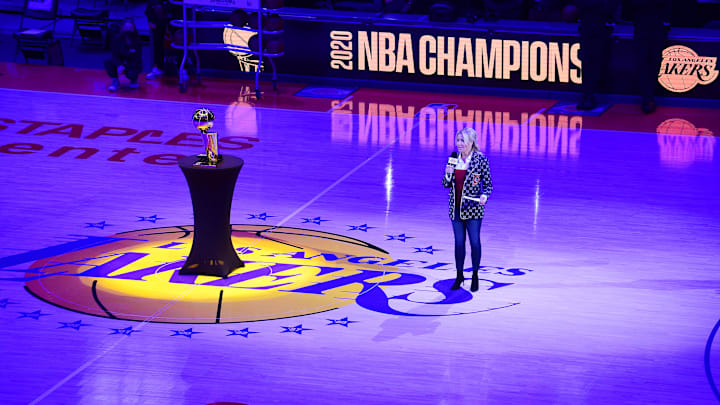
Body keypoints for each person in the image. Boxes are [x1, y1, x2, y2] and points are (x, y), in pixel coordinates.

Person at [442, 128, 493, 292]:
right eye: (458, 140)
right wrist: (448, 174)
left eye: (463, 141)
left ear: (472, 142)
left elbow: (488, 185)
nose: (460, 144)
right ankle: (459, 275)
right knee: (458, 243)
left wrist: (485, 195)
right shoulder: (453, 159)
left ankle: (475, 275)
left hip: (473, 210)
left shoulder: (481, 160)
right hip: (455, 208)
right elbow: (445, 184)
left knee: (475, 242)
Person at [104, 19, 142, 92]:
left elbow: (137, 57)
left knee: (132, 72)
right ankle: (115, 81)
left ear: (134, 29)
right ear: (123, 28)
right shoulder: (116, 38)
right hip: (120, 60)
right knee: (108, 61)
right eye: (126, 27)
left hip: (132, 62)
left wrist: (126, 65)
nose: (128, 30)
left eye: (130, 28)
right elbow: (114, 54)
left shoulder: (137, 40)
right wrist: (119, 65)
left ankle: (134, 79)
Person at [145, 0, 171, 80]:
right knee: (157, 46)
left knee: (179, 44)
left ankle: (183, 69)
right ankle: (158, 68)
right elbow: (148, 11)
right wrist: (151, 21)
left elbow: (172, 11)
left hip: (172, 23)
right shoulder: (153, 2)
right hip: (157, 26)